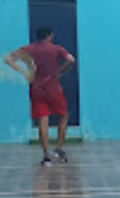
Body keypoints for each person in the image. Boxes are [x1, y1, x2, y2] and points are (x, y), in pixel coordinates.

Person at [5, 27, 75, 166]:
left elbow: (8, 59)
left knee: (43, 119)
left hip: (36, 88)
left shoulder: (28, 49)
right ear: (50, 36)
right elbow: (71, 60)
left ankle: (46, 156)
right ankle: (59, 148)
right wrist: (59, 72)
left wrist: (24, 72)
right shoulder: (56, 49)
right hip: (53, 88)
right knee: (63, 115)